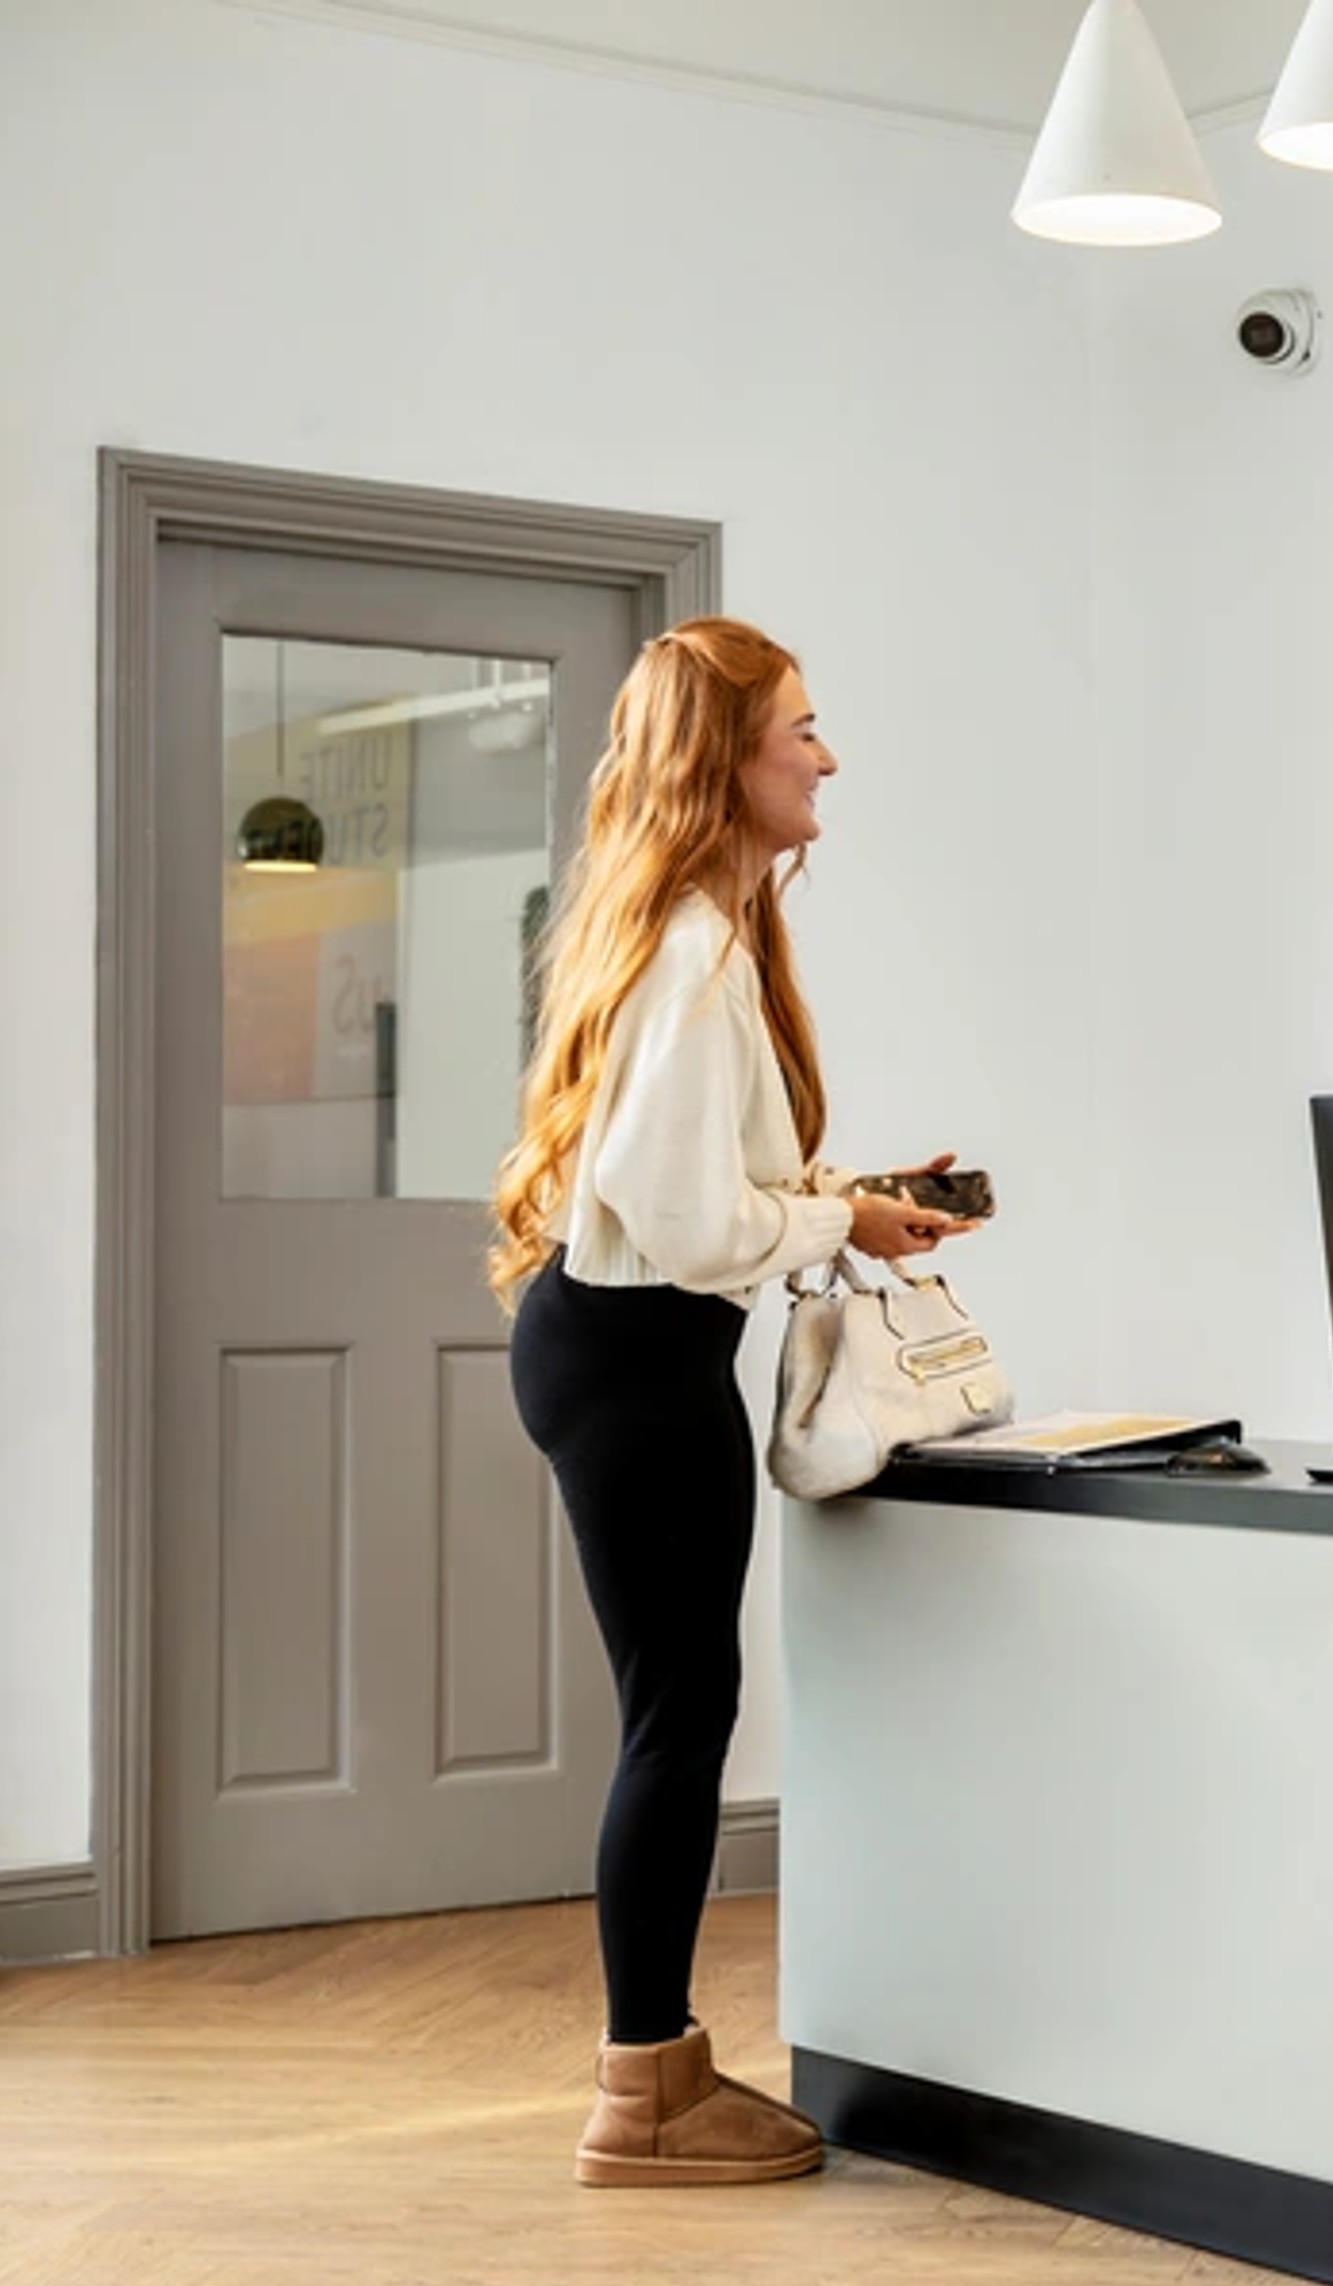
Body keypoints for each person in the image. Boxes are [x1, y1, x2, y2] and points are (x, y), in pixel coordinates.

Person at [487, 616, 973, 2189]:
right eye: (804, 730)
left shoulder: (698, 928)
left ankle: (664, 2071)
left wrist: (845, 1202)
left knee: (676, 1711)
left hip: (620, 1344)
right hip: (638, 1355)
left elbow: (700, 1188)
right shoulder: (698, 951)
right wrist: (826, 1220)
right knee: (677, 1720)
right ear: (730, 759)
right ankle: (645, 2096)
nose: (828, 758)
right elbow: (684, 1217)